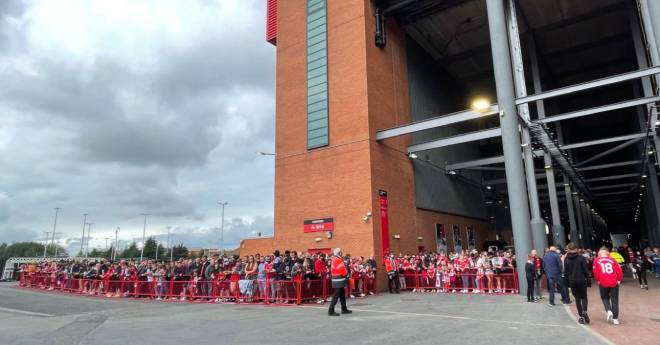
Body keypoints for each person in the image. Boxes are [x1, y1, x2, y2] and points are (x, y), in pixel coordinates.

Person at [593, 247, 623, 325]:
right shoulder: (613, 260)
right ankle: (615, 319)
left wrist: (598, 280)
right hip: (613, 282)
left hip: (603, 282)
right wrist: (619, 280)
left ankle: (608, 310)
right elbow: (619, 271)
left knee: (604, 297)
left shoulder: (596, 260)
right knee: (615, 300)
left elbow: (595, 272)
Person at [564, 243, 592, 324]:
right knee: (584, 297)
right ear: (576, 249)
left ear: (568, 249)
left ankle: (581, 316)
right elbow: (586, 271)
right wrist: (589, 281)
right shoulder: (581, 258)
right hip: (581, 280)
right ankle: (584, 311)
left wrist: (567, 284)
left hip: (572, 281)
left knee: (577, 298)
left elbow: (565, 272)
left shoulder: (566, 259)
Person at [328, 248, 351, 316]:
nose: (342, 253)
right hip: (338, 280)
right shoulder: (338, 259)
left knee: (342, 295)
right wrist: (347, 275)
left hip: (337, 280)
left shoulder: (335, 259)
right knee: (336, 296)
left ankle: (344, 309)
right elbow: (342, 269)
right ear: (338, 253)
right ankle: (331, 310)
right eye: (341, 252)